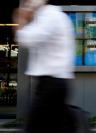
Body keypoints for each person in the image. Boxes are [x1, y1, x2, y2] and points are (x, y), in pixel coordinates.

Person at [14, 0, 77, 133]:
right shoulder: (59, 16)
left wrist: (21, 18)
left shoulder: (49, 16)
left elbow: (26, 38)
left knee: (33, 128)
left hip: (50, 84)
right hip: (57, 83)